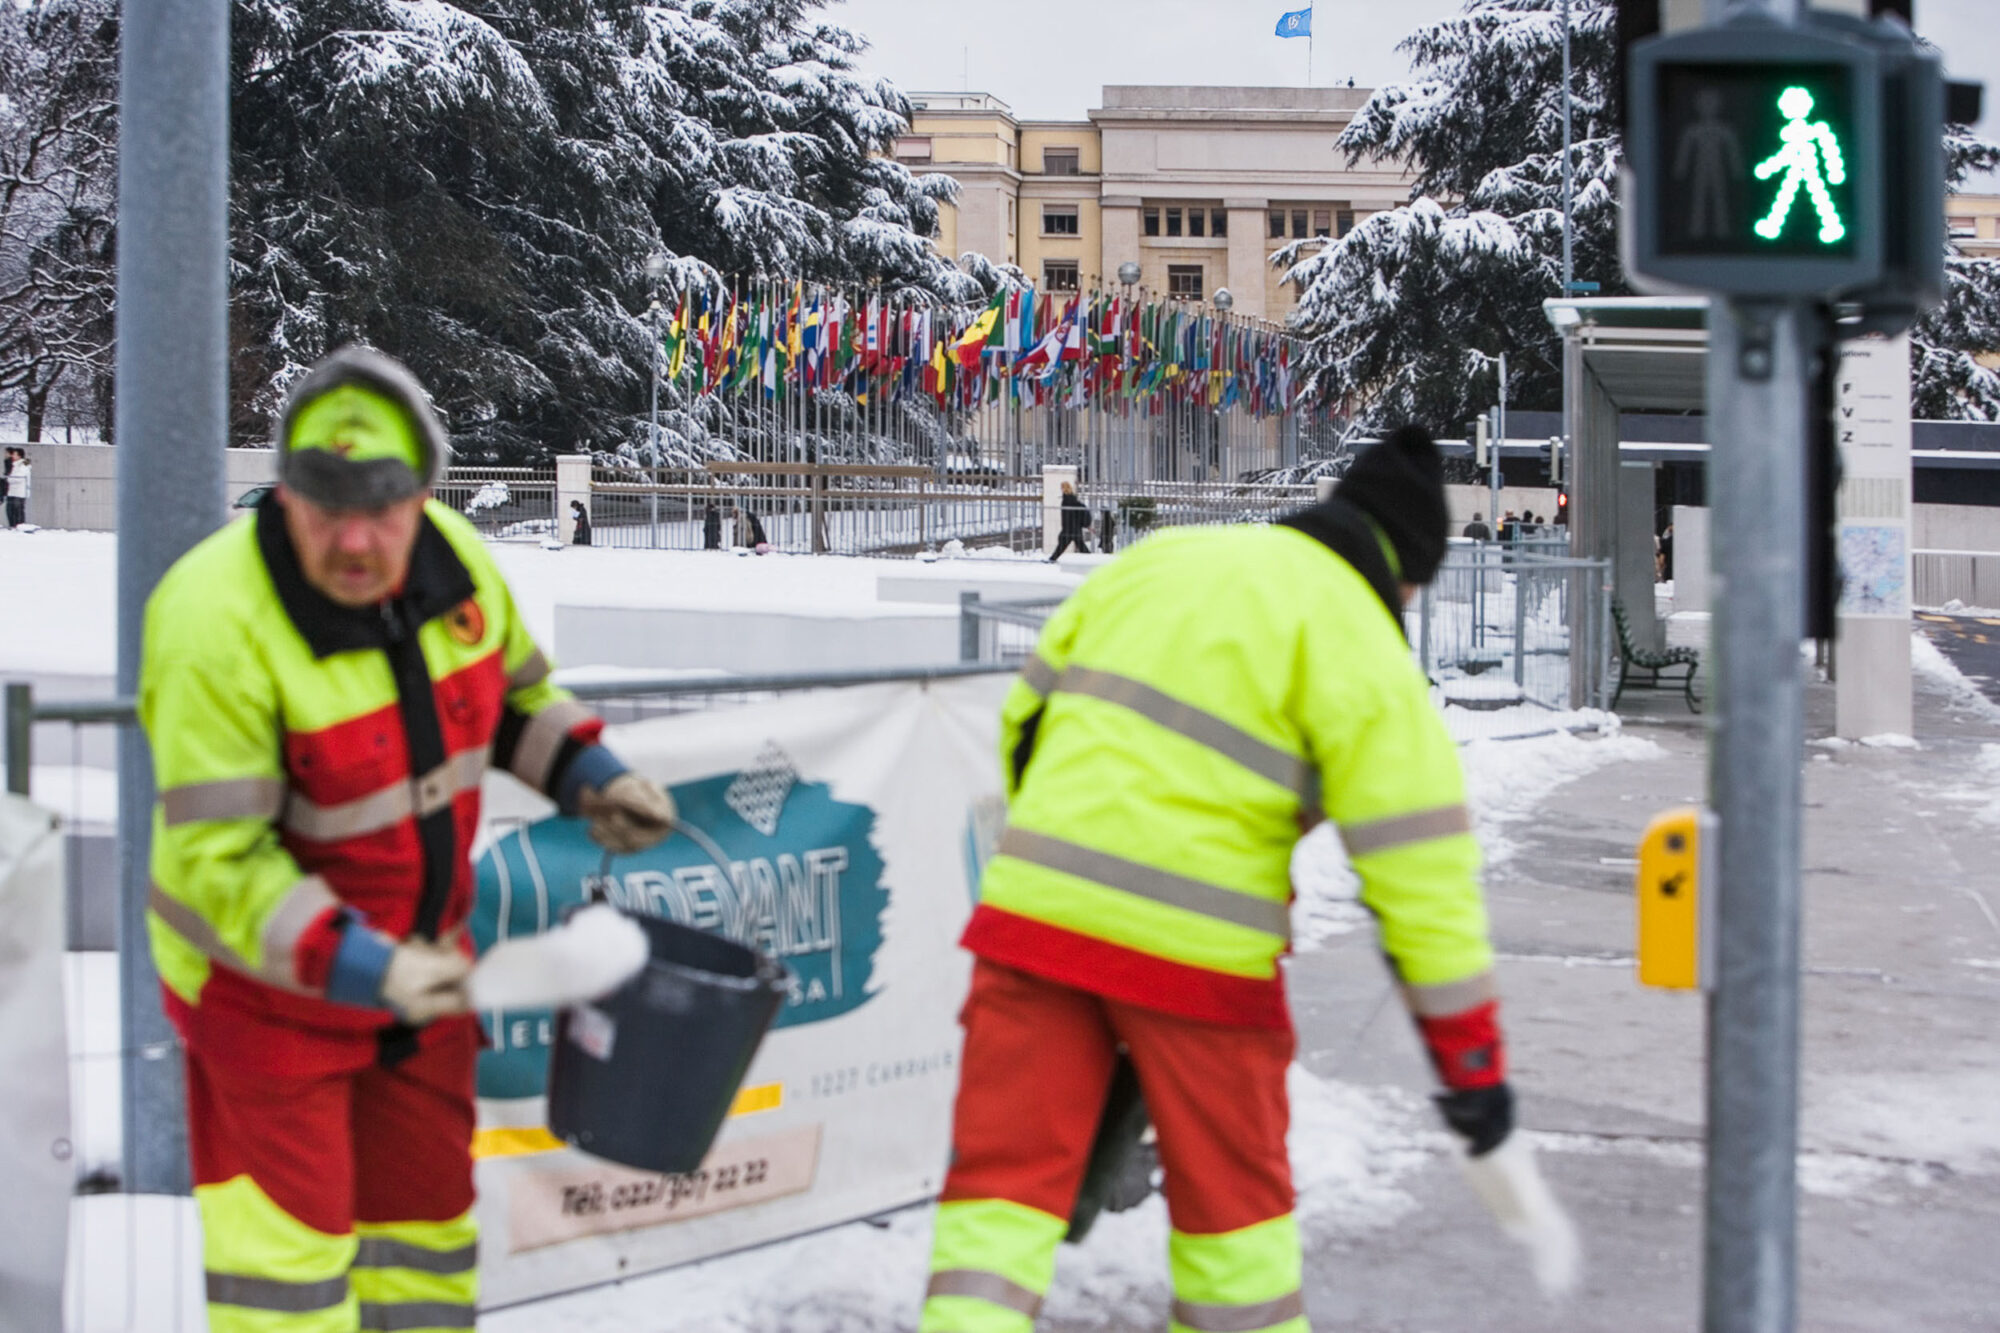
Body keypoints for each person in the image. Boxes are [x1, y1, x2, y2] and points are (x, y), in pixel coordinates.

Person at [920, 426, 1517, 1333]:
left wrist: (1069, 868)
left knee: (996, 1203)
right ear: (1406, 571)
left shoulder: (1161, 561)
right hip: (1200, 969)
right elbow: (1420, 870)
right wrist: (1469, 1058)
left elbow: (1026, 721)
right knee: (1237, 1230)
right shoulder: (1358, 637)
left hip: (1034, 927)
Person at [138, 346, 678, 1333]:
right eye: (323, 509)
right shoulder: (212, 620)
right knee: (286, 1284)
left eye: (382, 511)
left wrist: (589, 774)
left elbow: (510, 701)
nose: (354, 540)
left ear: (424, 494)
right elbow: (220, 862)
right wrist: (361, 964)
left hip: (424, 982)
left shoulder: (456, 558)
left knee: (424, 1250)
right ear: (282, 493)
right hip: (269, 1001)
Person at [1049, 481, 1091, 562]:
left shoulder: (1067, 499)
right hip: (1074, 528)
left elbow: (1068, 514)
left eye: (1062, 487)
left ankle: (1052, 559)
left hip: (1070, 528)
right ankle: (1052, 558)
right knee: (1079, 546)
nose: (1061, 489)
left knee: (1064, 545)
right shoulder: (1071, 498)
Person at [5, 447, 28, 528]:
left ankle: (20, 526)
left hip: (19, 493)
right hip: (11, 491)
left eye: (14, 454)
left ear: (19, 456)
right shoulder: (13, 464)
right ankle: (12, 526)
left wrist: (9, 479)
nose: (12, 456)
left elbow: (20, 477)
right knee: (10, 510)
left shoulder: (25, 463)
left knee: (18, 511)